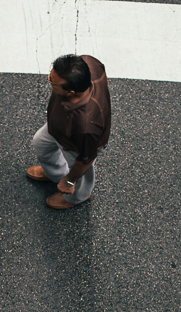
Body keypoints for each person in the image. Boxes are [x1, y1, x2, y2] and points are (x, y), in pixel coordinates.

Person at [27, 54, 111, 210]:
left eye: (52, 82)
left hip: (75, 142)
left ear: (71, 92)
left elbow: (86, 158)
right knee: (40, 143)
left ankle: (77, 196)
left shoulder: (86, 126)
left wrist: (70, 181)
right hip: (58, 126)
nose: (48, 79)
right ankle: (57, 174)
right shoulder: (88, 63)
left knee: (80, 171)